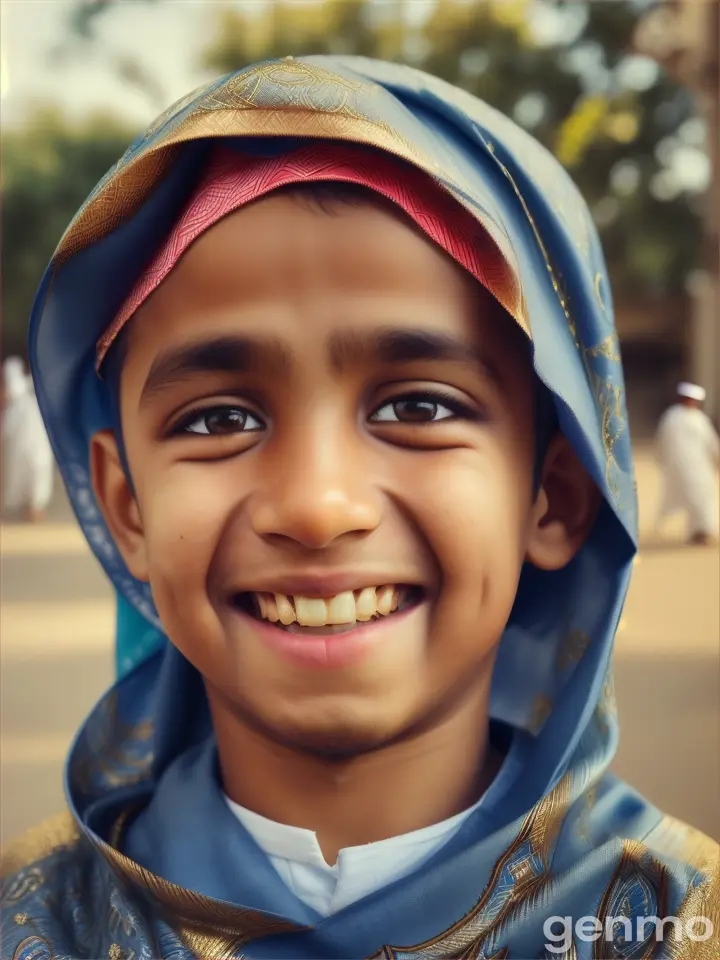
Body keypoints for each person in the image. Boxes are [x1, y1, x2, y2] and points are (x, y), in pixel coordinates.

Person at [2, 58, 717, 959]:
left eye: (417, 406)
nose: (316, 505)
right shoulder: (34, 920)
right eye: (220, 418)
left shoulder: (678, 923)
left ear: (556, 492)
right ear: (125, 509)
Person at [655, 382, 720, 546]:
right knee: (698, 497)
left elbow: (711, 442)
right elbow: (662, 440)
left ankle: (697, 531)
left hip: (700, 465)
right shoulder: (672, 417)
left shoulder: (699, 419)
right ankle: (703, 531)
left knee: (702, 497)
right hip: (682, 466)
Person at [1, 355, 54, 523]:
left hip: (36, 432)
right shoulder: (13, 371)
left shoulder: (39, 379)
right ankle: (24, 507)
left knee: (38, 466)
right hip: (19, 431)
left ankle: (35, 507)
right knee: (16, 468)